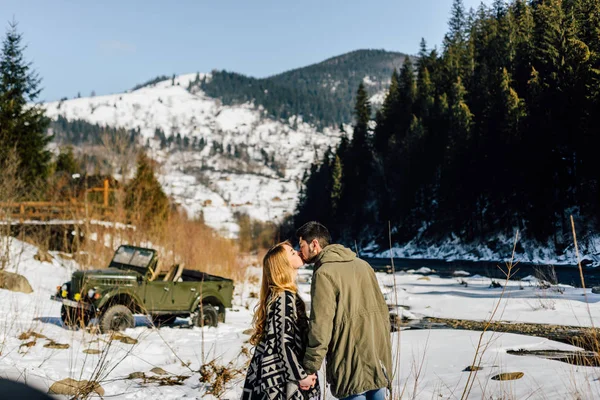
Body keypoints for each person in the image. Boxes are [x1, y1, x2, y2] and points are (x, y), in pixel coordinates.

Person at [296, 221, 392, 400]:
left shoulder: (324, 273)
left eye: (302, 246)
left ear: (314, 244)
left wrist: (309, 367)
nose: (300, 251)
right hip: (375, 357)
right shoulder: (363, 265)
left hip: (348, 359)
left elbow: (321, 326)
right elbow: (382, 312)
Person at [242, 241, 320, 400]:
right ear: (283, 265)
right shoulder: (284, 297)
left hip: (273, 378)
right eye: (292, 252)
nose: (298, 252)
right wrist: (300, 376)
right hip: (281, 383)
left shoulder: (280, 295)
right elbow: (283, 342)